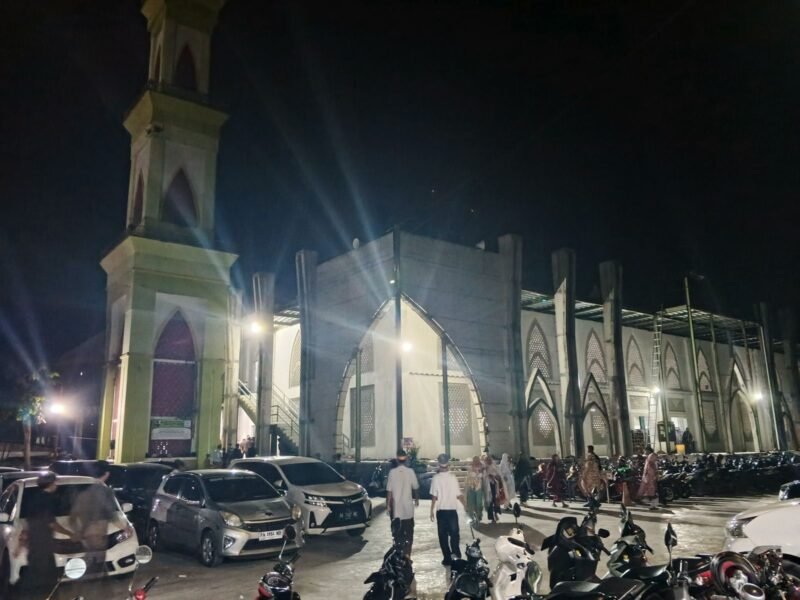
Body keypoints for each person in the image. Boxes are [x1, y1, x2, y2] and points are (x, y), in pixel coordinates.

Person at [15, 472, 75, 596]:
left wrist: (20, 545)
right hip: (43, 545)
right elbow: (51, 523)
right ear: (51, 483)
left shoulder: (33, 499)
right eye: (55, 482)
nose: (56, 485)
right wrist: (69, 533)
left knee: (36, 576)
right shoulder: (47, 500)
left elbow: (28, 524)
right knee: (47, 580)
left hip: (35, 545)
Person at [70, 461, 134, 576]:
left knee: (88, 563)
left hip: (86, 534)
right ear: (107, 474)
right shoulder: (105, 491)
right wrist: (125, 528)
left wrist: (77, 531)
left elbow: (73, 515)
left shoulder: (83, 493)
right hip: (99, 533)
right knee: (96, 568)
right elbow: (111, 514)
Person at [430, 453, 464, 567]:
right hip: (452, 511)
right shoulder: (453, 477)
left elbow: (434, 497)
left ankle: (447, 558)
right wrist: (466, 506)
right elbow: (459, 495)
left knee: (443, 536)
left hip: (441, 511)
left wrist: (431, 510)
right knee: (454, 534)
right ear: (448, 464)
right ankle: (456, 554)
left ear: (439, 464)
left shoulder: (435, 478)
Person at [386, 449, 419, 556]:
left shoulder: (392, 473)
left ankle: (399, 556)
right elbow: (416, 487)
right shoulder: (410, 472)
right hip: (408, 510)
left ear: (396, 459)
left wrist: (388, 506)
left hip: (396, 510)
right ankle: (407, 555)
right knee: (409, 534)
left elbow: (389, 491)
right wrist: (417, 499)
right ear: (406, 459)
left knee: (397, 535)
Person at [483, 455, 504, 523]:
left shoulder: (494, 465)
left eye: (489, 460)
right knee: (490, 501)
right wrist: (488, 475)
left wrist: (494, 476)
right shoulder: (484, 467)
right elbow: (483, 476)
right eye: (487, 460)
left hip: (494, 485)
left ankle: (496, 514)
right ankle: (492, 517)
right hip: (487, 486)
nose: (489, 461)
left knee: (495, 500)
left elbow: (499, 474)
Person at [638, 445, 660, 510]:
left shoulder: (651, 456)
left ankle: (653, 505)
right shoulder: (650, 456)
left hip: (650, 477)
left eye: (645, 450)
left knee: (652, 491)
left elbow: (652, 465)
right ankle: (653, 505)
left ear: (648, 450)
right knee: (651, 491)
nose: (645, 452)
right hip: (650, 476)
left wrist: (652, 475)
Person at [464, 456, 484, 522]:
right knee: (471, 503)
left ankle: (479, 515)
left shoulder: (482, 468)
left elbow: (483, 477)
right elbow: (467, 478)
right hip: (471, 487)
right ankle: (471, 517)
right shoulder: (470, 468)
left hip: (479, 487)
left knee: (479, 503)